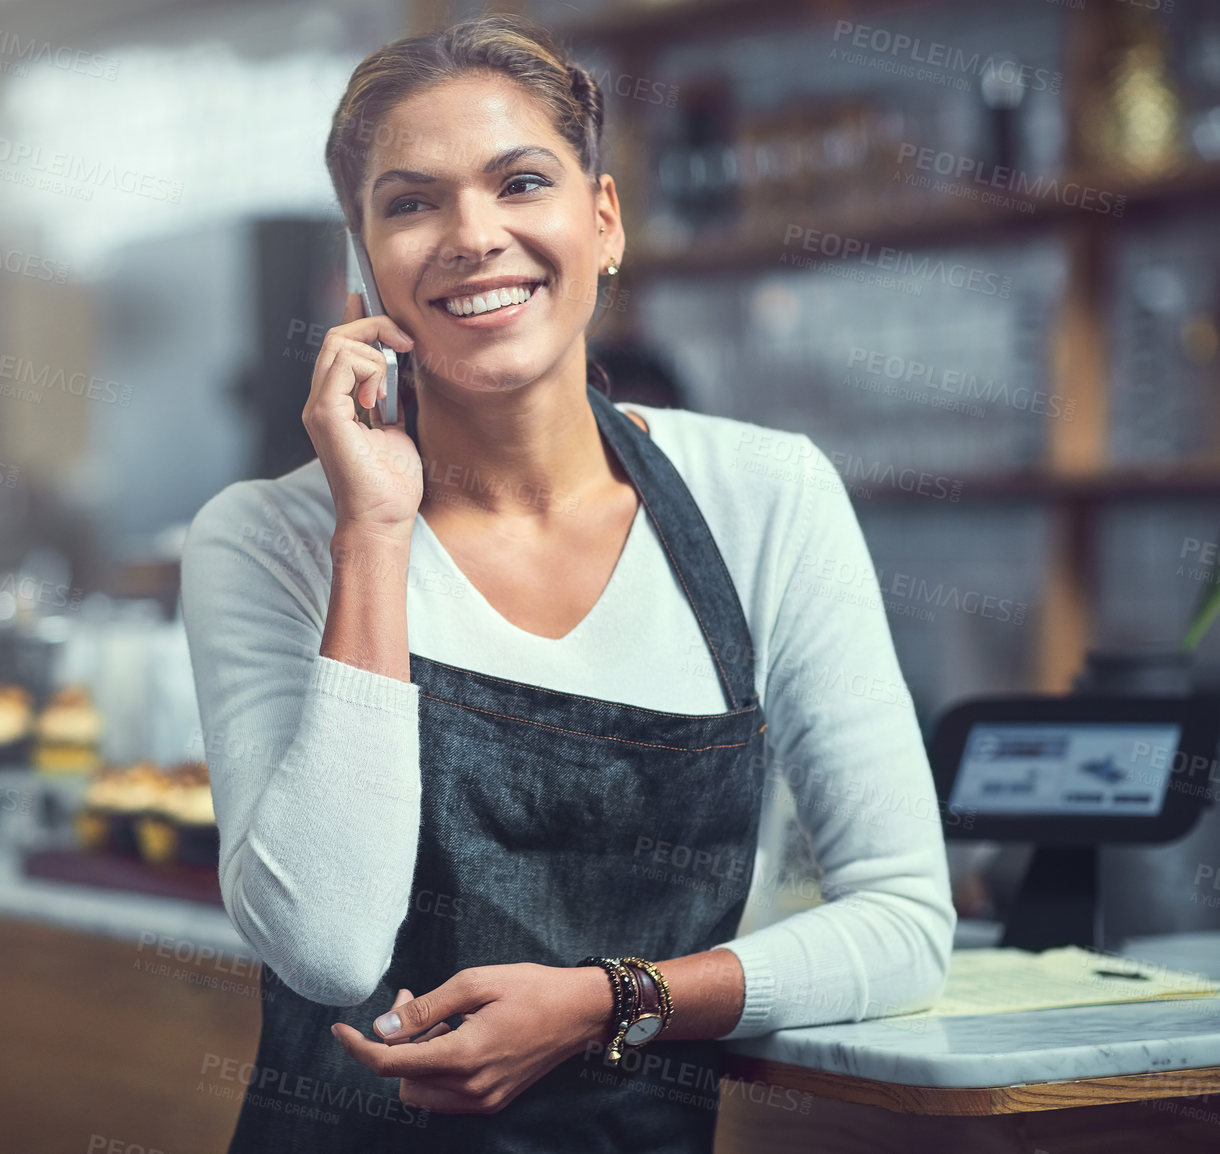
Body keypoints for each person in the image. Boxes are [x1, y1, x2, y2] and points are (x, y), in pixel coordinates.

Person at [179, 14, 954, 1153]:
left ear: (601, 222)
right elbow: (331, 948)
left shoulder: (766, 496)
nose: (470, 235)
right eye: (409, 203)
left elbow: (901, 924)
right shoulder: (264, 538)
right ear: (361, 269)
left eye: (520, 181)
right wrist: (375, 529)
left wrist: (610, 997)